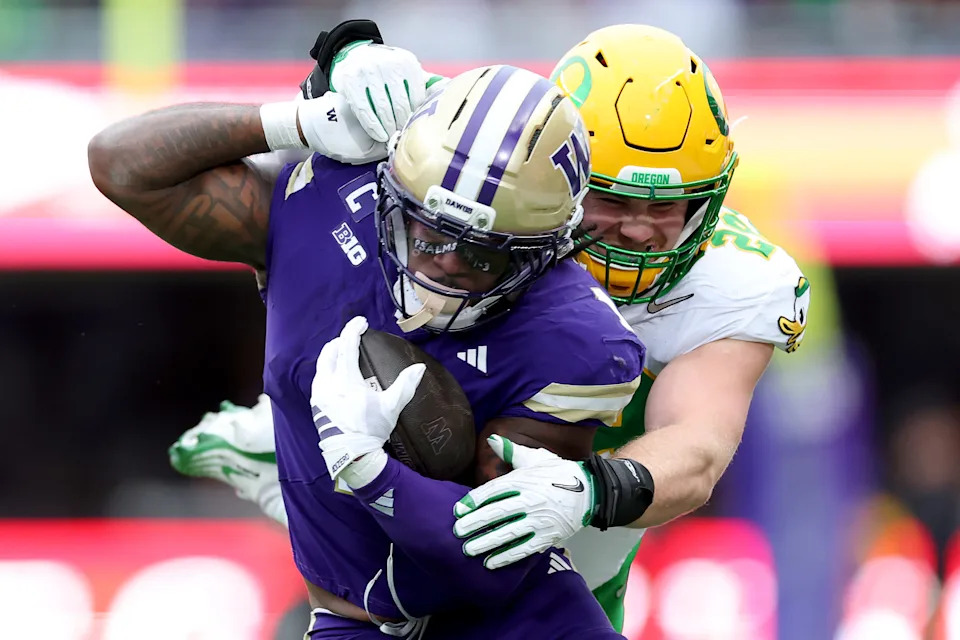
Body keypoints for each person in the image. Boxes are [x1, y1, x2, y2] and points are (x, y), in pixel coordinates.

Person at [169, 23, 811, 632]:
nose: (640, 231)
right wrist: (344, 63)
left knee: (552, 571)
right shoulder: (491, 153)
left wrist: (588, 490)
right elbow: (364, 108)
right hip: (448, 389)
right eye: (613, 199)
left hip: (579, 477)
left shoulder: (734, 279)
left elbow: (695, 444)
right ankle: (323, 438)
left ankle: (323, 458)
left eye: (668, 207)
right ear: (564, 171)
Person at [89, 57, 643, 639]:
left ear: (546, 250)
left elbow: (491, 565)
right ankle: (282, 468)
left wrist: (369, 468)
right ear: (388, 194)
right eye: (428, 232)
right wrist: (296, 122)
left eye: (483, 254)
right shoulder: (322, 204)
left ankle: (280, 467)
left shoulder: (576, 340)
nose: (444, 265)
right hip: (350, 621)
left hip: (509, 622)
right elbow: (119, 166)